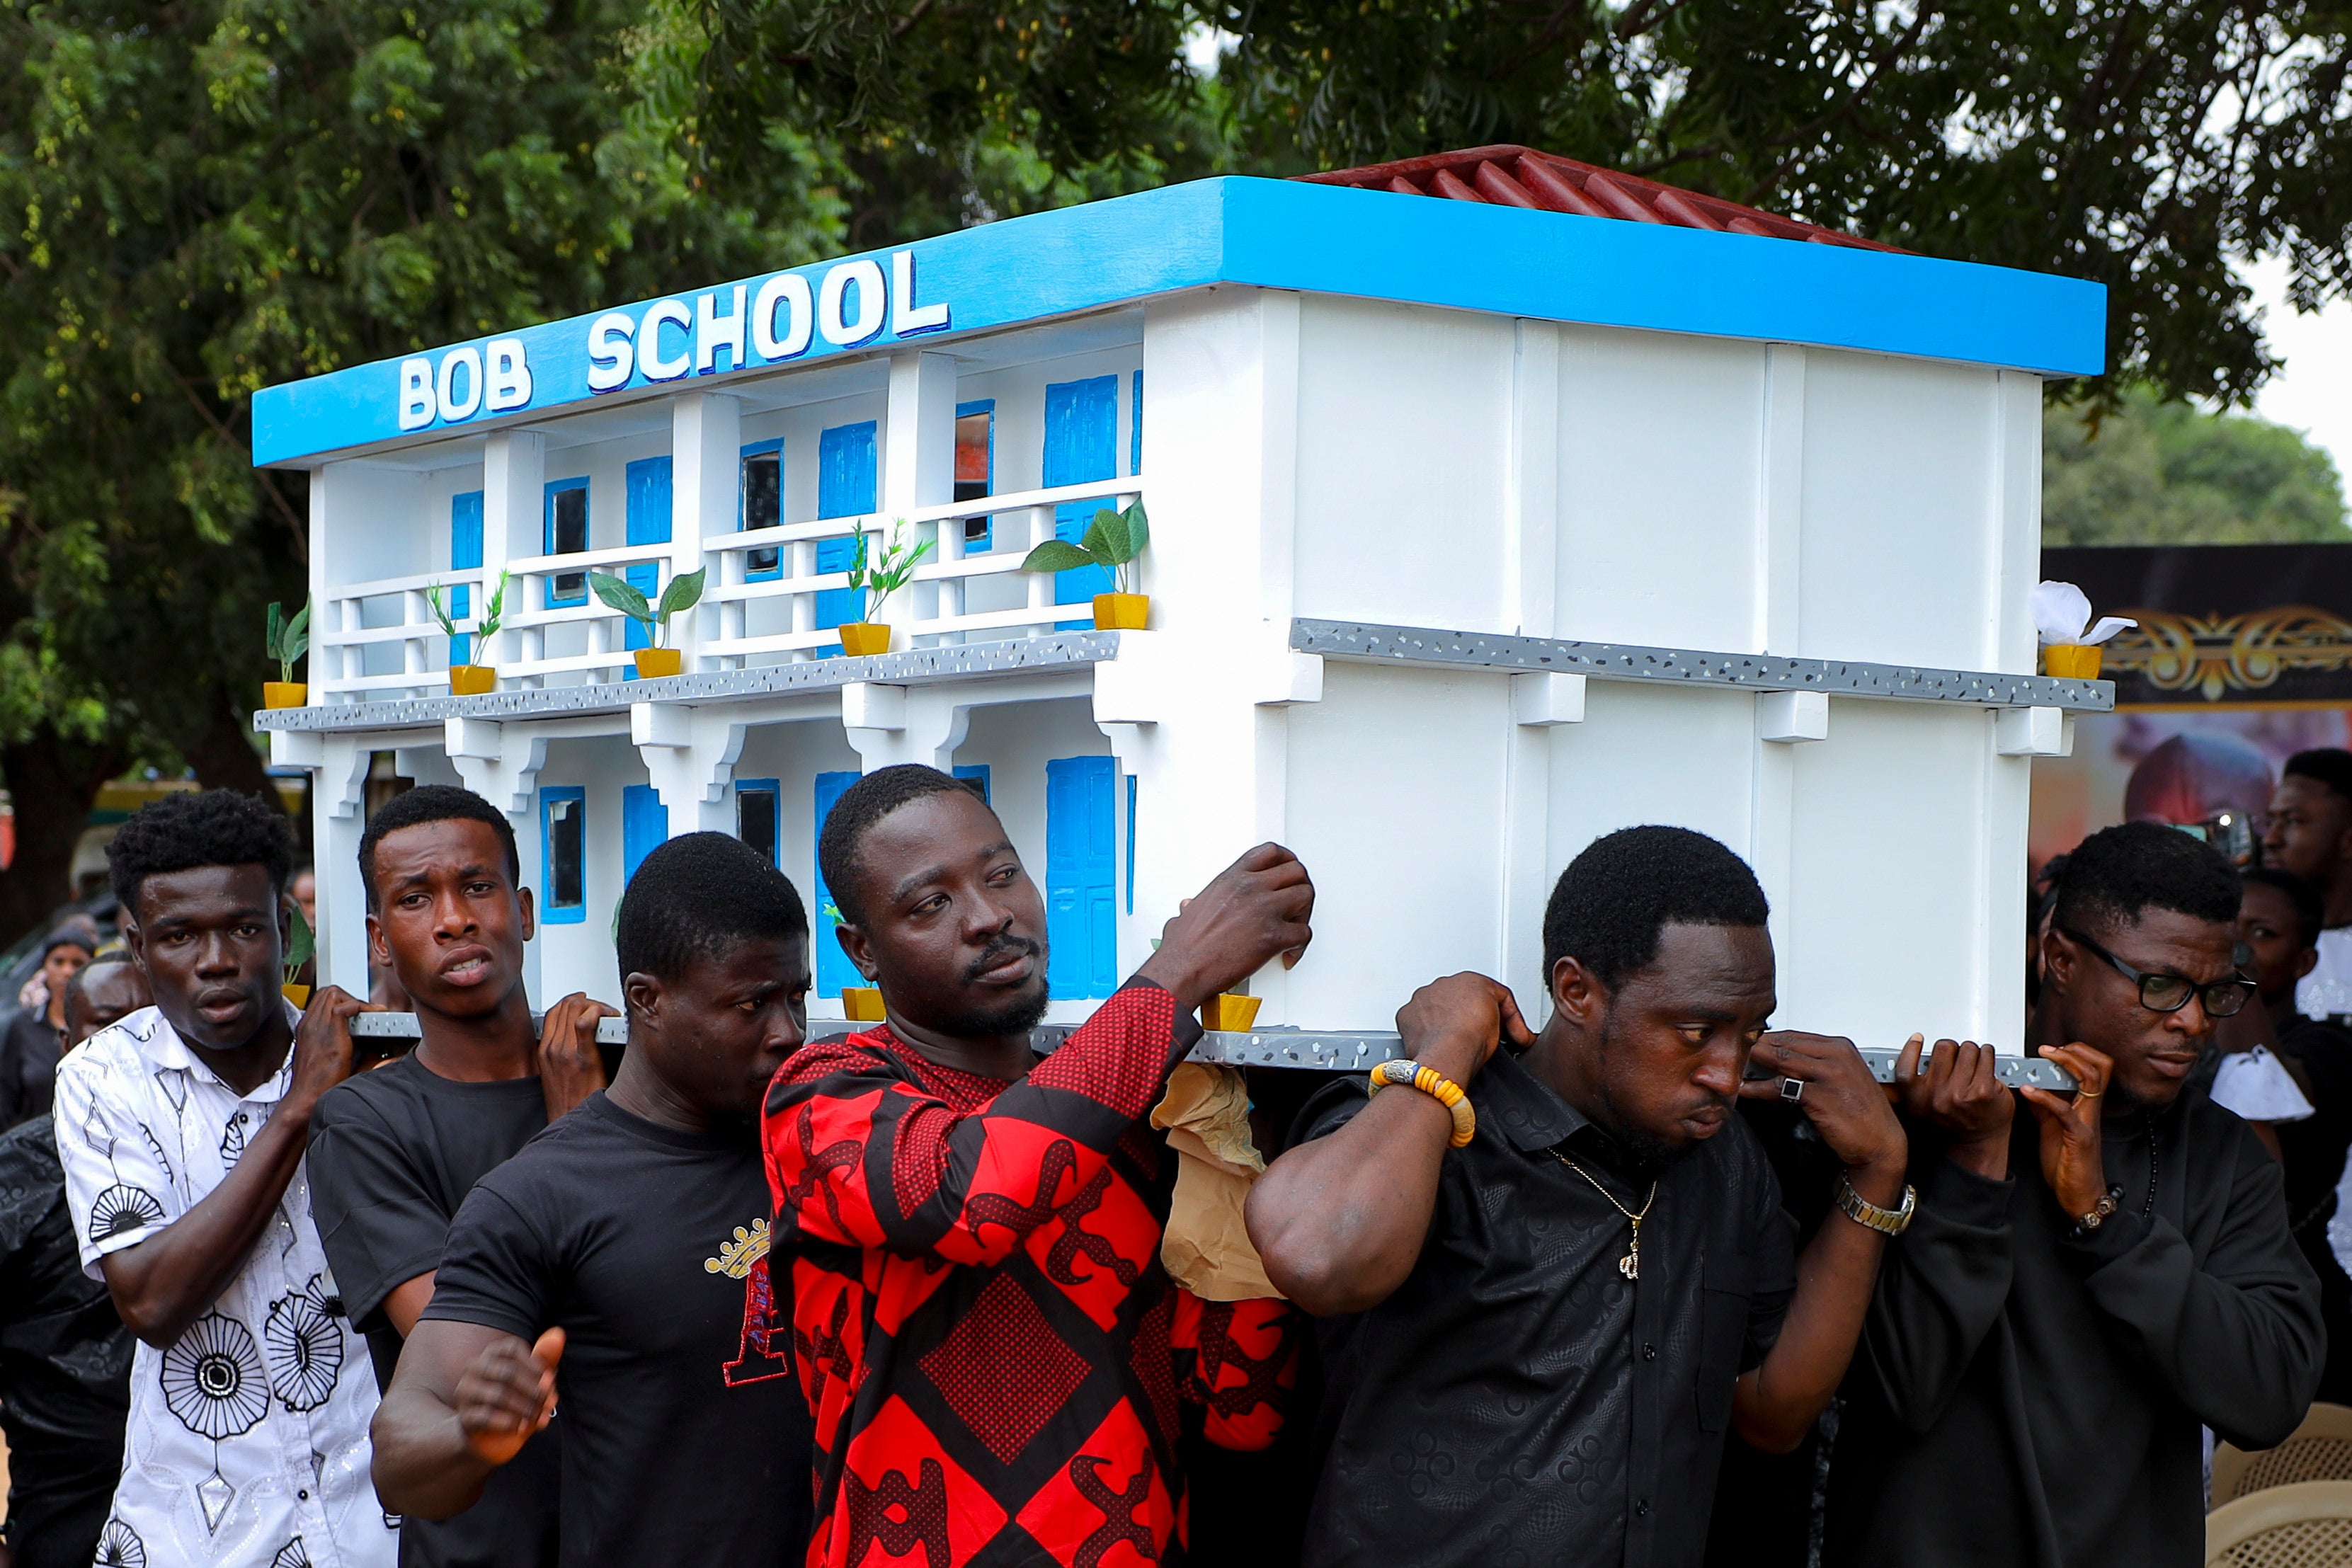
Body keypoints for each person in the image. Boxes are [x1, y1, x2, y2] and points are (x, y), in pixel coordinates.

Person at [1246, 825, 1908, 1567]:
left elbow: (1769, 1411)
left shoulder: (1724, 1161)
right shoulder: (1435, 1131)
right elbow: (1315, 1255)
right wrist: (1443, 1057)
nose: (1726, 1073)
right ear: (1576, 991)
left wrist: (1877, 1170)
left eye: (1750, 1030)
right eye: (1695, 1031)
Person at [764, 765, 1312, 1568]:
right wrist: (1177, 974)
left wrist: (1237, 1135)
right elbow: (973, 1197)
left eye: (1002, 873)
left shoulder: (1130, 1112)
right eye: (931, 904)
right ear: (861, 950)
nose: (989, 916)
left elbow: (1241, 1408)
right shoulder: (820, 1096)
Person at [1823, 821, 2322, 1568]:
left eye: (2215, 992)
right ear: (2058, 959)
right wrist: (1971, 1162)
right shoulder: (1931, 1118)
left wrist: (2103, 1220)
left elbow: (2270, 1395)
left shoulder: (2223, 1155)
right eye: (2159, 985)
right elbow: (1903, 1391)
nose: (2189, 1021)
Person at [371, 832, 816, 1567]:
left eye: (795, 996)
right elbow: (399, 1452)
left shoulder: (826, 1141)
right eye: (751, 1004)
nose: (788, 1034)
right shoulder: (540, 1197)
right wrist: (469, 1436)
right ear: (647, 999)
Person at [52, 789, 394, 1567]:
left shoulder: (373, 1063)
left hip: (375, 1519)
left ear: (283, 926)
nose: (217, 960)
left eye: (243, 927)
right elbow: (152, 1300)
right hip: (192, 1537)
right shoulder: (102, 1080)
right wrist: (299, 1109)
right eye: (179, 935)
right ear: (137, 948)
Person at [306, 785, 612, 1568]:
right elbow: (485, 1359)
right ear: (380, 939)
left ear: (526, 909)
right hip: (489, 1542)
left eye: (477, 886)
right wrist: (579, 1131)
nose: (454, 918)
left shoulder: (618, 1073)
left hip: (637, 1523)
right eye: (416, 898)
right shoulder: (363, 1124)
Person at [0, 960, 147, 1568]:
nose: (133, 1050)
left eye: (152, 1030)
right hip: (62, 1515)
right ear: (68, 1043)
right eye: (109, 1028)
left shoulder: (220, 1159)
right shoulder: (16, 1174)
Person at [2238, 865, 2352, 1404]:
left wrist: (2231, 972)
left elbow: (2279, 1091)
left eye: (2262, 934)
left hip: (2307, 1303)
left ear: (2306, 960)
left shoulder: (2329, 1044)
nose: (2241, 945)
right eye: (2230, 927)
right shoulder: (2176, 1040)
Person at [2263, 747, 2352, 1018]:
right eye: (2270, 821)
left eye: (2292, 821)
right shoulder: (2253, 947)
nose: (2271, 839)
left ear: (2349, 841)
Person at [0, 931, 94, 1127]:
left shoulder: (101, 1024)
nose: (67, 971)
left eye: (77, 963)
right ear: (45, 967)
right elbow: (7, 1097)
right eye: (58, 962)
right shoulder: (23, 1026)